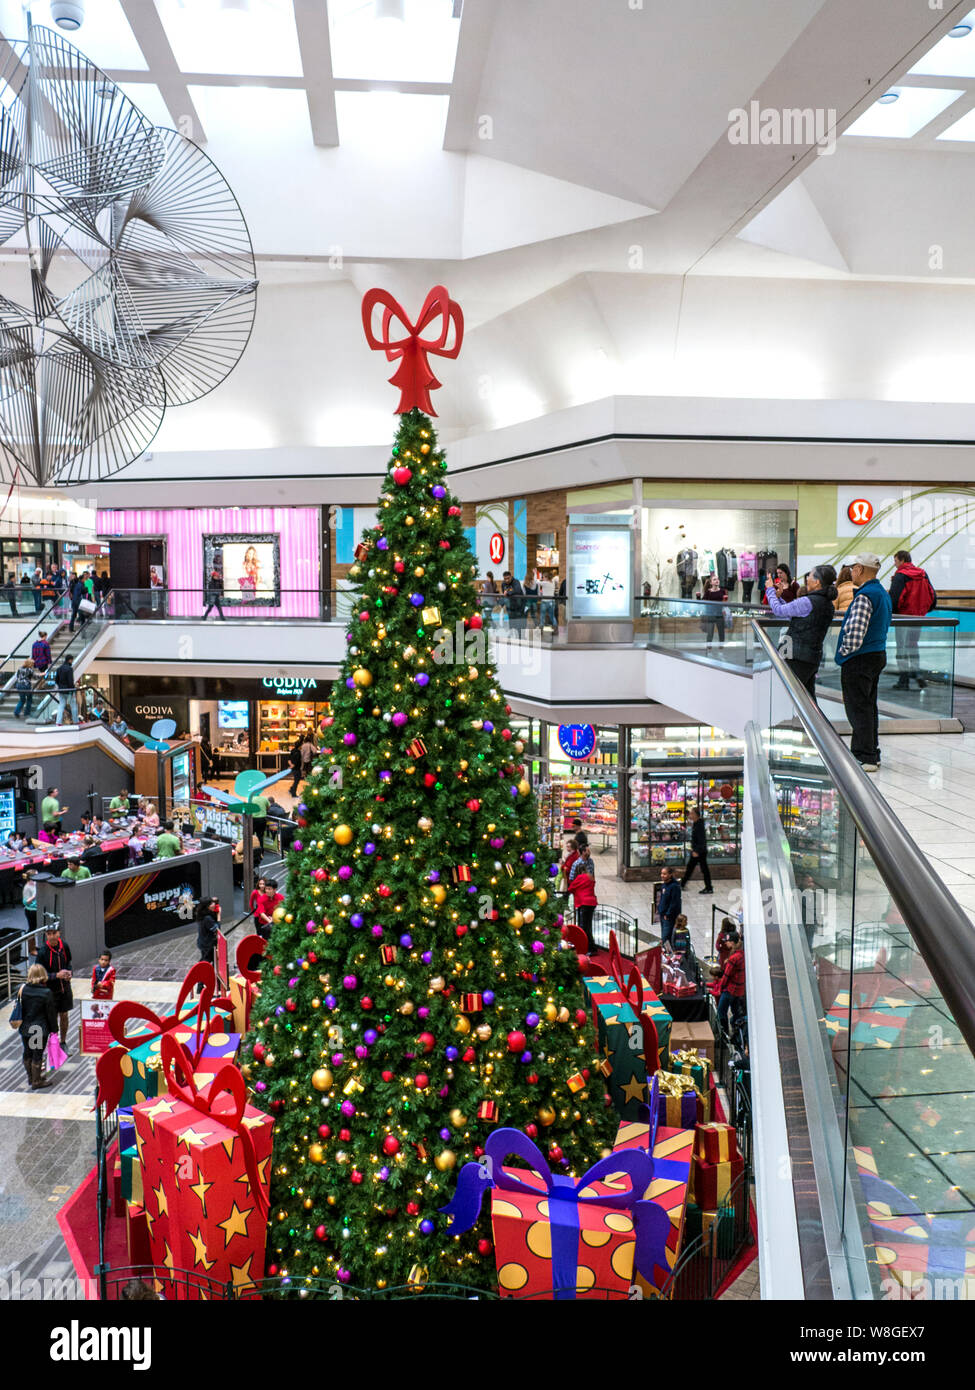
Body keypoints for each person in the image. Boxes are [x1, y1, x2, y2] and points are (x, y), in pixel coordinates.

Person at [835, 552, 893, 772]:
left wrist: (843, 653)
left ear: (859, 569)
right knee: (868, 707)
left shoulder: (865, 596)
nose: (851, 572)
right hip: (877, 654)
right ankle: (872, 752)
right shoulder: (882, 593)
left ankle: (864, 756)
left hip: (859, 659)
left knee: (857, 708)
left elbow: (855, 634)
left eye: (853, 568)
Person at [763, 563, 837, 701]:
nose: (807, 578)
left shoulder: (807, 601)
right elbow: (792, 611)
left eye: (810, 575)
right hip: (812, 657)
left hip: (796, 657)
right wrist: (778, 597)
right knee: (808, 698)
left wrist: (770, 591)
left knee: (788, 696)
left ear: (817, 582)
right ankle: (813, 722)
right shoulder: (828, 604)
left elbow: (778, 611)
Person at [889, 550, 937, 691]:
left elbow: (894, 599)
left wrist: (893, 614)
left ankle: (903, 681)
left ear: (902, 560)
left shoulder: (900, 576)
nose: (895, 564)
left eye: (896, 561)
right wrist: (923, 611)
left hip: (903, 618)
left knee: (902, 649)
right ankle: (917, 674)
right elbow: (933, 596)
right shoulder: (922, 573)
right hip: (918, 617)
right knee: (913, 645)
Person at [18, 962, 58, 1090]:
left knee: (27, 1052)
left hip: (25, 1027)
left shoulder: (22, 989)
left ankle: (31, 1077)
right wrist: (54, 1029)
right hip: (39, 1028)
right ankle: (36, 1081)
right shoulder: (46, 992)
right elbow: (51, 1013)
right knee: (37, 1054)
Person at [36, 925, 73, 1051]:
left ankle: (63, 1042)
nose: (51, 936)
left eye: (54, 933)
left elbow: (68, 962)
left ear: (59, 933)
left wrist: (69, 973)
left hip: (65, 988)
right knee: (52, 1018)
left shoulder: (65, 946)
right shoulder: (42, 952)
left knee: (64, 1015)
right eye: (49, 934)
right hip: (50, 992)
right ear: (46, 935)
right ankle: (53, 1044)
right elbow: (38, 974)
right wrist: (56, 975)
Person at [566, 841, 597, 952]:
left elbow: (570, 886)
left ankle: (587, 947)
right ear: (583, 852)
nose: (589, 852)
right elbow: (592, 879)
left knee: (583, 926)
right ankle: (589, 946)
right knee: (587, 925)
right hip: (590, 901)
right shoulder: (577, 864)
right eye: (587, 850)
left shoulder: (590, 863)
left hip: (583, 902)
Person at [716, 931, 746, 1032]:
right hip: (739, 990)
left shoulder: (733, 958)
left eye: (727, 941)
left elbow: (726, 976)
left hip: (730, 990)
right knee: (736, 1012)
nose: (725, 943)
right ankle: (737, 1031)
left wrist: (720, 988)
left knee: (721, 1012)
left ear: (732, 943)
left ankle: (724, 1033)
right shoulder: (742, 954)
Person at [681, 807, 713, 894]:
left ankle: (709, 888)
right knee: (691, 868)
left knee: (702, 869)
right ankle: (683, 884)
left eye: (691, 813)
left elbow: (701, 840)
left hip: (699, 851)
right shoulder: (696, 823)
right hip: (698, 850)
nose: (690, 815)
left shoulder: (699, 825)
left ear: (695, 815)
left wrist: (697, 851)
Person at [698, 574, 727, 652]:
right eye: (714, 579)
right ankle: (709, 645)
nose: (717, 580)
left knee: (721, 631)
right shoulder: (708, 592)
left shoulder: (723, 591)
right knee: (710, 631)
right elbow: (703, 602)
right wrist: (698, 597)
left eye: (717, 579)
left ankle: (721, 645)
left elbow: (725, 602)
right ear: (711, 583)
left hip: (720, 613)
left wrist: (724, 602)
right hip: (710, 614)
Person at [657, 865, 682, 946]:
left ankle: (668, 954)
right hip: (663, 914)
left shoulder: (674, 887)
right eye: (661, 873)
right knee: (663, 936)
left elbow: (674, 902)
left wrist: (668, 914)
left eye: (664, 874)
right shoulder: (664, 884)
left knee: (666, 937)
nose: (662, 876)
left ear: (670, 874)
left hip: (669, 917)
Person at [196, 898, 220, 975]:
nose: (214, 904)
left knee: (209, 961)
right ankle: (201, 981)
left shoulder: (202, 915)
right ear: (207, 907)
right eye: (211, 903)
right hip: (208, 945)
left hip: (203, 943)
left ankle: (206, 978)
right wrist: (219, 915)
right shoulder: (207, 918)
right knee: (206, 963)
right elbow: (217, 929)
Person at [54, 654, 78, 724]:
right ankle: (76, 721)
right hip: (69, 691)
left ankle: (58, 722)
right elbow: (70, 681)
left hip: (61, 691)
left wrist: (61, 686)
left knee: (61, 705)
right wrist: (72, 689)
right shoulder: (69, 669)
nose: (72, 662)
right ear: (70, 660)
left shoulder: (59, 668)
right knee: (73, 705)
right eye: (72, 660)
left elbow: (56, 680)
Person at [22, 870, 37, 934]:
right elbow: (25, 902)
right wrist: (34, 896)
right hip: (31, 911)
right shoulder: (27, 888)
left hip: (35, 909)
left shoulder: (34, 883)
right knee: (32, 929)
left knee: (35, 928)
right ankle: (29, 942)